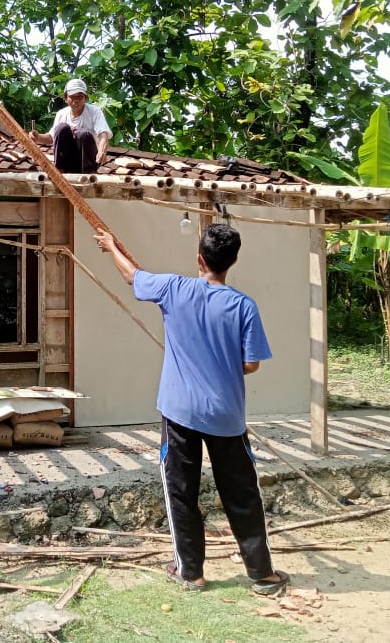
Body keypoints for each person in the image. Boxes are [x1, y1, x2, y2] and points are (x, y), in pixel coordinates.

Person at [93, 222, 290, 596]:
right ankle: (262, 573)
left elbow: (132, 276)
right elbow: (251, 364)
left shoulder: (173, 288)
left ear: (199, 259)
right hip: (226, 416)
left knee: (181, 491)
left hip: (179, 411)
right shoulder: (244, 306)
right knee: (242, 494)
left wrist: (110, 246)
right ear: (233, 261)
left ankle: (191, 572)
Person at [29, 78, 111, 173]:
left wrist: (101, 151)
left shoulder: (94, 112)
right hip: (68, 161)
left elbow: (103, 134)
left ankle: (88, 172)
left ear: (85, 98)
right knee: (61, 128)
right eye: (72, 97)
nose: (76, 101)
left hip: (87, 161)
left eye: (79, 97)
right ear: (66, 99)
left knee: (83, 134)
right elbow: (52, 137)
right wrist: (37, 137)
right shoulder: (61, 114)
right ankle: (60, 170)